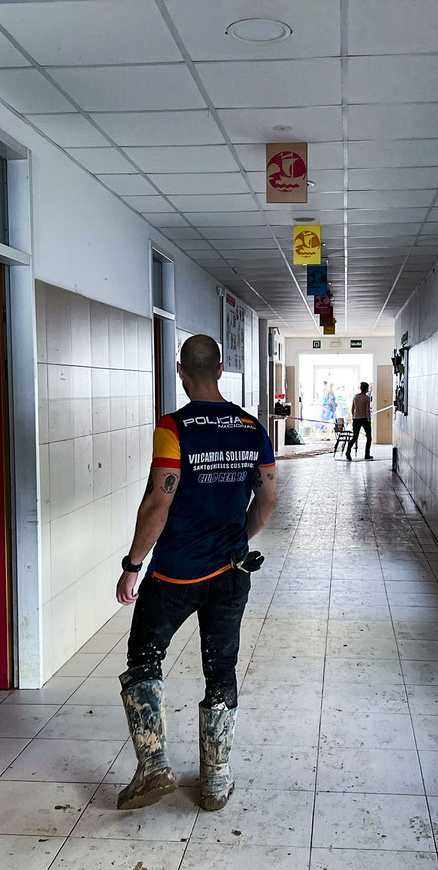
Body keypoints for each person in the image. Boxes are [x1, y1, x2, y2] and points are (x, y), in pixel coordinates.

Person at [114, 334, 277, 812]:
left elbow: (158, 502)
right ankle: (215, 783)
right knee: (220, 667)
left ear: (181, 372)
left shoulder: (173, 428)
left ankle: (153, 767)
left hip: (174, 576)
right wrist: (238, 541)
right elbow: (268, 501)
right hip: (231, 571)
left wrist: (132, 565)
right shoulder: (252, 428)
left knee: (145, 657)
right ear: (221, 370)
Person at [348, 381, 374, 460]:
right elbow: (367, 410)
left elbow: (353, 408)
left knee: (355, 437)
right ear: (366, 389)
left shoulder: (356, 397)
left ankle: (348, 452)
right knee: (369, 437)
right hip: (364, 419)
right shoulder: (366, 398)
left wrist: (353, 416)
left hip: (356, 419)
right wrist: (369, 419)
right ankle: (367, 454)